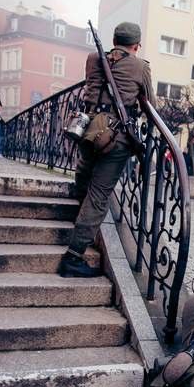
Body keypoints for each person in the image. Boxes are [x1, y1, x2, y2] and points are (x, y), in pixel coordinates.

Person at [59, 21, 154, 278]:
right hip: (115, 137)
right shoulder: (140, 66)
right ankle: (73, 256)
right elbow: (151, 105)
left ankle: (81, 213)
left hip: (87, 128)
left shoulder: (93, 59)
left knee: (84, 174)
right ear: (136, 45)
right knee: (99, 196)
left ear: (114, 41)